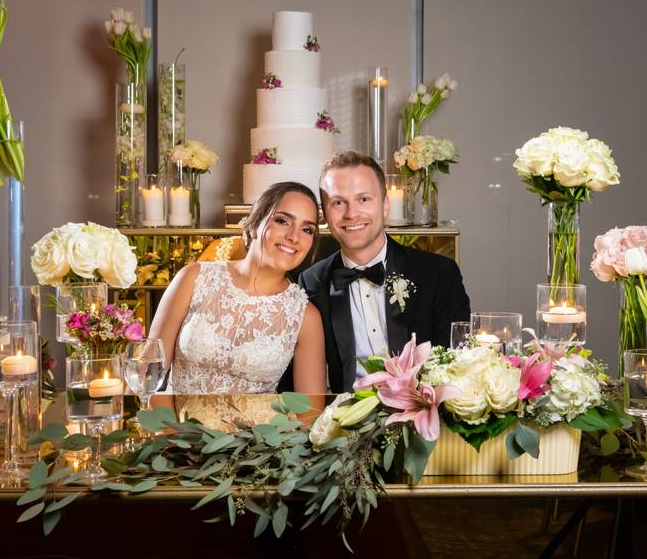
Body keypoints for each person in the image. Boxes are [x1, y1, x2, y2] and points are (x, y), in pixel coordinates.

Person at [294, 151, 471, 393]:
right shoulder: (312, 281)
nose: (351, 214)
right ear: (324, 213)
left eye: (363, 199)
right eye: (338, 202)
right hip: (346, 420)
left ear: (385, 205)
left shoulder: (439, 274)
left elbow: (456, 365)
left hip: (427, 415)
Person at [148, 182, 326, 394]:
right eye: (282, 221)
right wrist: (167, 428)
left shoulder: (305, 316)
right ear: (253, 226)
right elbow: (148, 377)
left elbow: (309, 413)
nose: (294, 237)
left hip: (259, 427)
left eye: (307, 229)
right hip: (177, 424)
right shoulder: (193, 278)